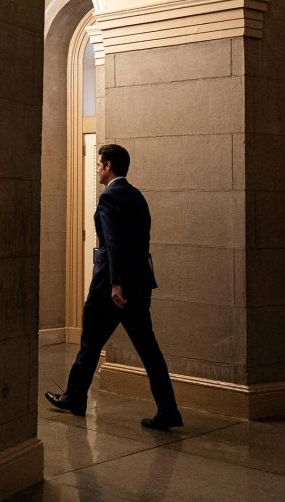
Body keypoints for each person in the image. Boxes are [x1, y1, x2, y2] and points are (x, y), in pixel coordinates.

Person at [44, 143, 182, 429]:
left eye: (99, 164)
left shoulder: (109, 198)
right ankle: (169, 410)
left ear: (108, 166)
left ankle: (75, 398)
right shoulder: (137, 197)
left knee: (90, 343)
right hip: (139, 284)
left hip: (110, 287)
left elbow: (114, 243)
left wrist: (116, 283)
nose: (97, 169)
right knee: (149, 350)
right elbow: (141, 244)